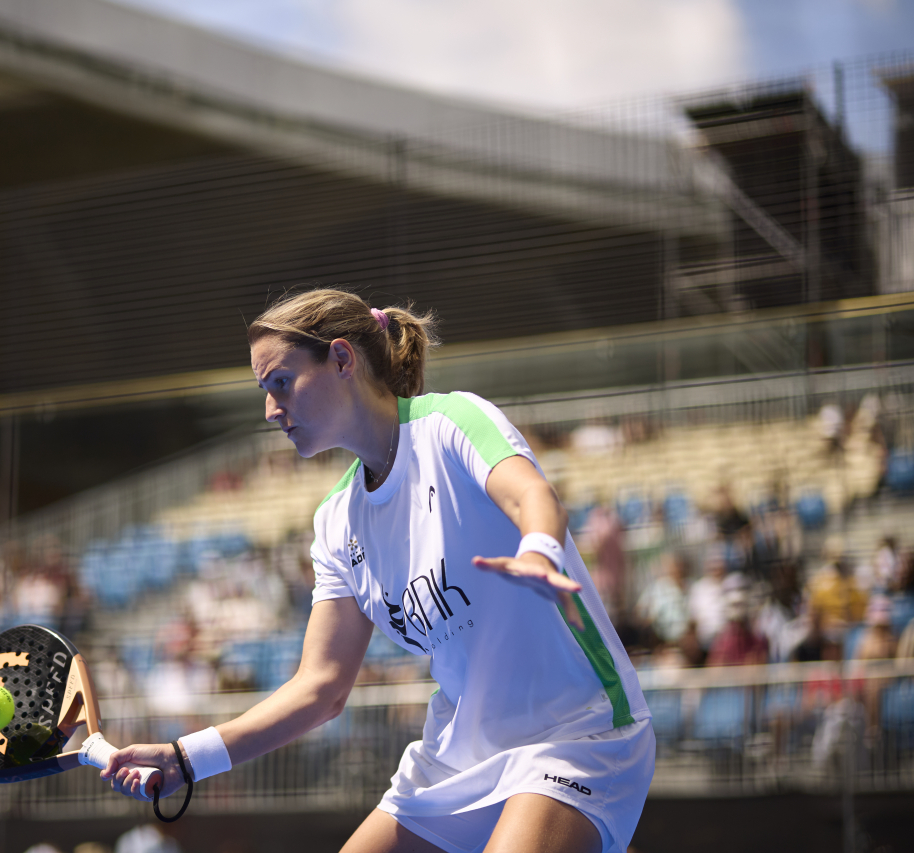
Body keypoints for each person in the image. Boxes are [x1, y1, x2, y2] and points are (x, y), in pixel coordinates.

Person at [101, 290, 653, 853]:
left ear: (341, 360)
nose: (270, 411)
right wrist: (185, 759)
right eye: (264, 392)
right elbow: (320, 688)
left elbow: (532, 493)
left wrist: (538, 551)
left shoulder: (450, 422)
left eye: (281, 384)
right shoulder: (336, 523)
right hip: (455, 759)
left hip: (576, 734)